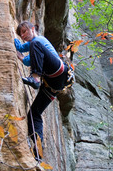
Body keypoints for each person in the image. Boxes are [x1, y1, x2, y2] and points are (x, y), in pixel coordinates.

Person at [14, 21, 73, 160]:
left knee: (35, 43)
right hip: (52, 85)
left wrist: (20, 54)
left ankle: (35, 78)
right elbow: (26, 54)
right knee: (34, 114)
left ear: (33, 29)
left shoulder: (39, 40)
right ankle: (38, 151)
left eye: (25, 31)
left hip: (59, 71)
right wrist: (17, 48)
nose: (23, 35)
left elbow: (27, 53)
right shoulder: (34, 45)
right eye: (20, 34)